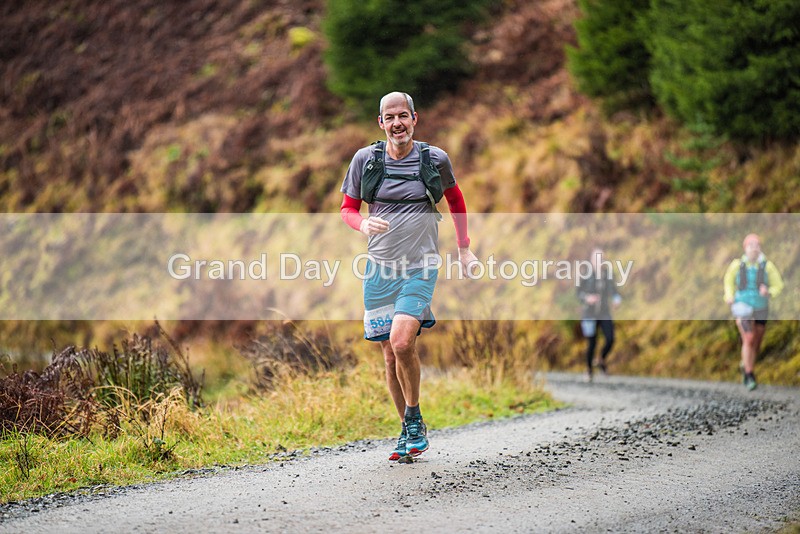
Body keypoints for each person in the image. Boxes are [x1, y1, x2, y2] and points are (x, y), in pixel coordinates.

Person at [339, 91, 478, 461]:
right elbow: (347, 208)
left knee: (402, 343)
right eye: (390, 117)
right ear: (380, 123)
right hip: (379, 269)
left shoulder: (434, 159)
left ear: (415, 118)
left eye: (403, 115)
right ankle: (407, 430)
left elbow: (456, 200)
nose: (397, 123)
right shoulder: (366, 160)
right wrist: (362, 223)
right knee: (389, 355)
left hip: (420, 266)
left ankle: (414, 418)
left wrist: (464, 248)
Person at [723, 233, 784, 391]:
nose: (754, 248)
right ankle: (749, 374)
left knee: (756, 341)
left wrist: (769, 292)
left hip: (761, 307)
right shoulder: (737, 265)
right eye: (751, 245)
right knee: (749, 338)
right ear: (745, 248)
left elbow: (778, 285)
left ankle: (745, 363)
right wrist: (729, 296)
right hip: (742, 306)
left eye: (757, 245)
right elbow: (728, 281)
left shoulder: (767, 266)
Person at [577, 247, 622, 382]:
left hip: (604, 312)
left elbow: (614, 291)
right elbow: (578, 293)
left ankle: (600, 358)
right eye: (597, 258)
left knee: (610, 338)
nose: (600, 261)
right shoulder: (586, 274)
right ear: (592, 260)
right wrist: (587, 298)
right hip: (589, 313)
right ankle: (589, 370)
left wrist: (616, 299)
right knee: (592, 342)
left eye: (602, 258)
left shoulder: (607, 275)